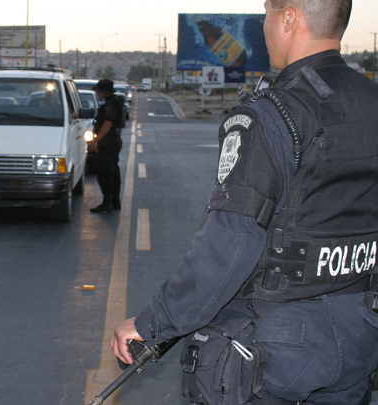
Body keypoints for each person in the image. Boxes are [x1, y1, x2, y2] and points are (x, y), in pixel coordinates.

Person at [111, 1, 378, 404]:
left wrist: (153, 323)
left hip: (279, 351)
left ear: (289, 18)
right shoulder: (370, 100)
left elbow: (230, 245)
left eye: (268, 14)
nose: (265, 26)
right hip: (360, 335)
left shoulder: (274, 114)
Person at [88, 79, 124, 213]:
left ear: (104, 92)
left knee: (105, 172)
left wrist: (96, 141)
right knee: (113, 171)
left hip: (108, 142)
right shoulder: (115, 102)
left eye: (98, 90)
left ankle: (107, 203)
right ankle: (115, 201)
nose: (97, 92)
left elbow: (107, 124)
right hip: (113, 141)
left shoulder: (110, 105)